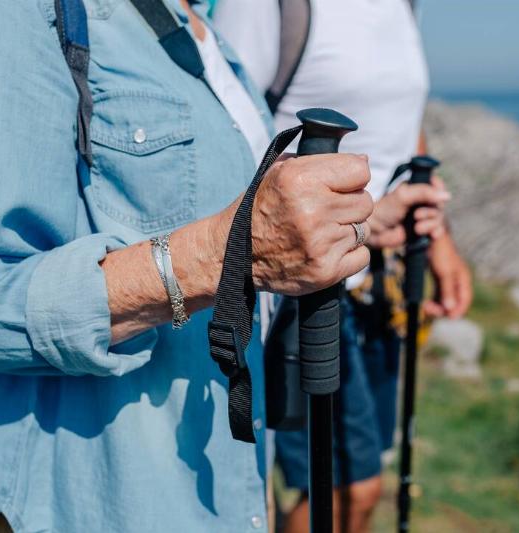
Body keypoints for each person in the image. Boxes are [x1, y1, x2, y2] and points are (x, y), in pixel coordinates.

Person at [0, 0, 449, 531]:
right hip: (88, 495)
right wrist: (227, 252)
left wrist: (349, 226)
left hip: (216, 482)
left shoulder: (197, 23)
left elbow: (201, 204)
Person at [214, 1, 474, 531]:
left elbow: (402, 118)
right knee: (344, 489)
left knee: (362, 474)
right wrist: (367, 216)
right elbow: (222, 130)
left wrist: (440, 240)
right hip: (299, 286)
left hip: (374, 279)